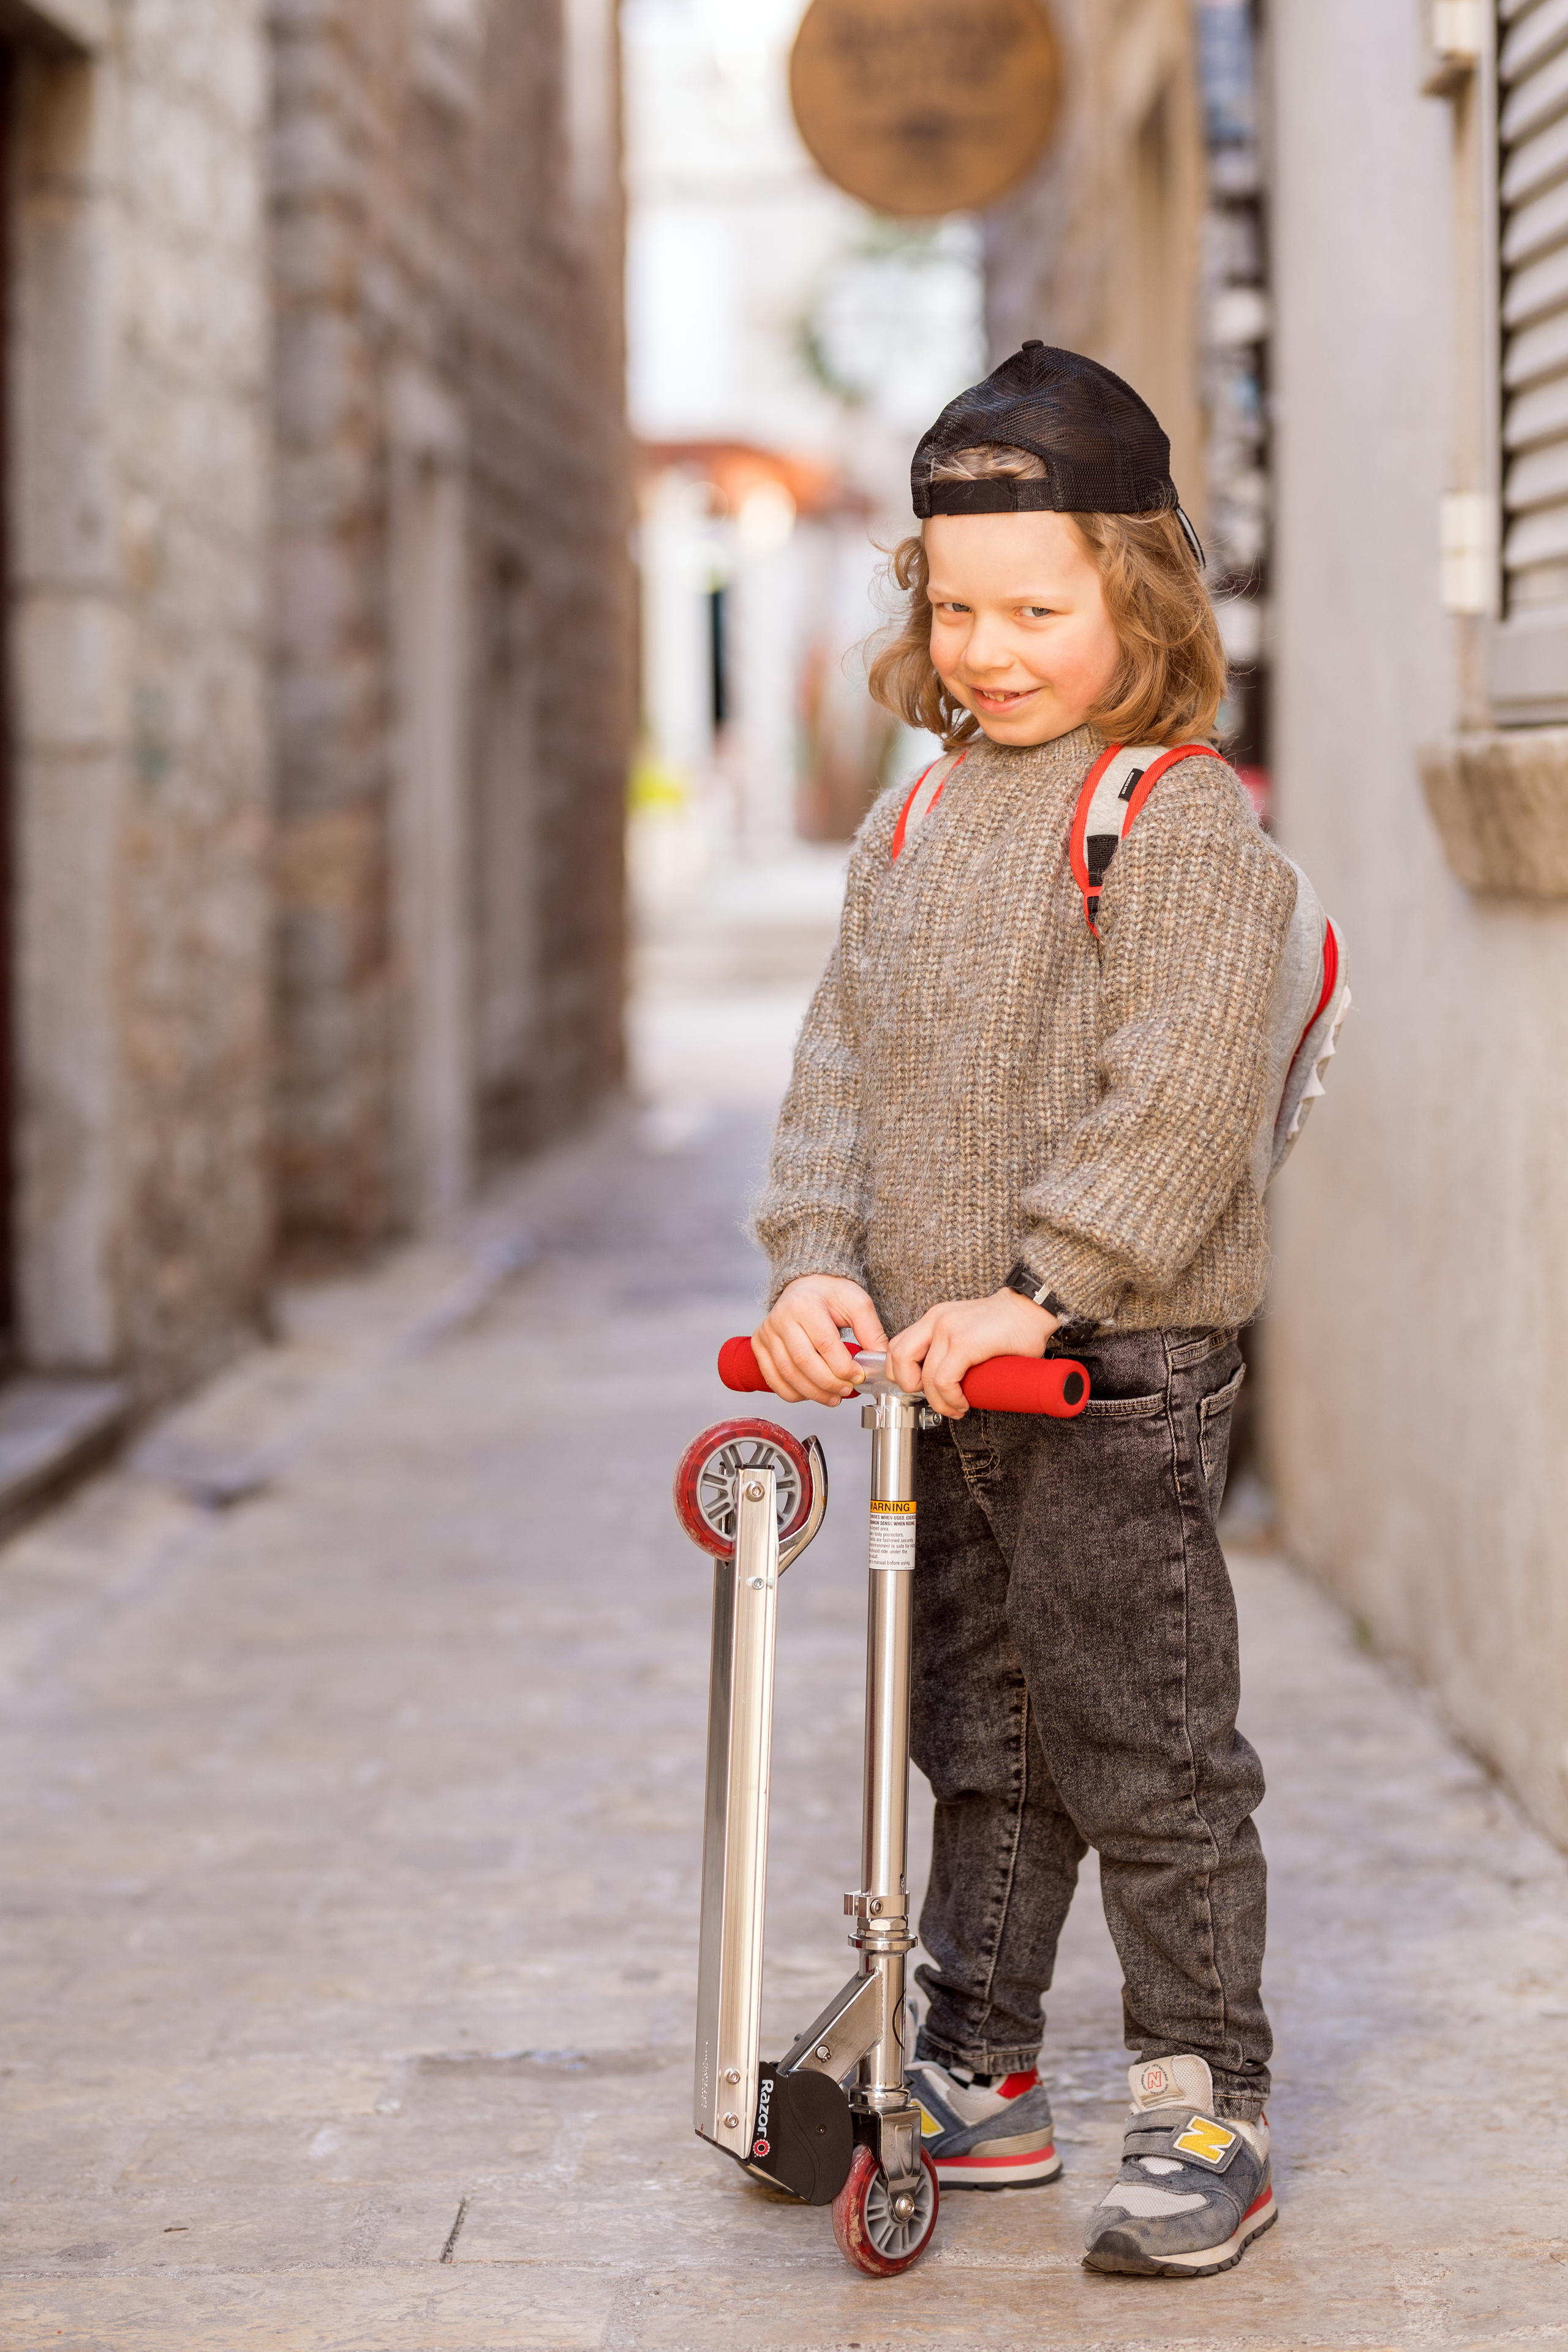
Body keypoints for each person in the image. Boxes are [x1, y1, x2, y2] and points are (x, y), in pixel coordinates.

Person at [749, 342, 1292, 2280]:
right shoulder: (913, 828)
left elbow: (1185, 1100)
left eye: (1036, 612)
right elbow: (841, 1065)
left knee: (1143, 1741)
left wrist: (1040, 1291)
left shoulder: (1175, 820)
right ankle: (978, 2066)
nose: (986, 651)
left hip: (1108, 1374)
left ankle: (1204, 2097)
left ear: (1139, 597)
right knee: (977, 1737)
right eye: (955, 609)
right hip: (938, 1382)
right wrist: (817, 1254)